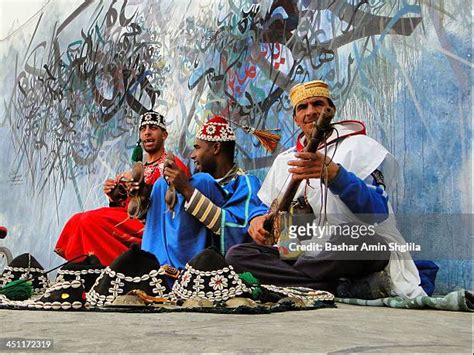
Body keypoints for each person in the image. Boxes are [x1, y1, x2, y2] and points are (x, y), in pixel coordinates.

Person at [225, 80, 426, 299]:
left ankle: (302, 281)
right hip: (303, 252)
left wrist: (337, 176)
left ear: (330, 109)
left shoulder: (359, 147)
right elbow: (263, 208)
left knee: (357, 241)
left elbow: (377, 212)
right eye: (303, 107)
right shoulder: (285, 161)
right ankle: (332, 286)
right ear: (295, 119)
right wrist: (256, 221)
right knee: (238, 255)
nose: (311, 112)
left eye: (317, 104)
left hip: (353, 245)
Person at [55, 111, 189, 266]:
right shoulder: (139, 167)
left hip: (155, 226)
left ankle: (109, 270)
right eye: (143, 129)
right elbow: (129, 208)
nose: (147, 133)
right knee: (76, 219)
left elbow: (177, 204)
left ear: (164, 135)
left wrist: (145, 190)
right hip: (132, 221)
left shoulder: (173, 164)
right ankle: (83, 269)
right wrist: (115, 196)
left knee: (89, 221)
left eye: (153, 128)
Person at [140, 116, 268, 270]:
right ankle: (153, 267)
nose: (192, 155)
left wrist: (188, 190)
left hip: (208, 264)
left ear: (216, 148)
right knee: (162, 184)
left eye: (197, 147)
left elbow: (239, 231)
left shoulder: (246, 182)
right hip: (163, 263)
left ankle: (181, 270)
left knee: (201, 181)